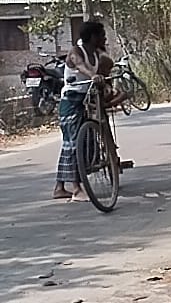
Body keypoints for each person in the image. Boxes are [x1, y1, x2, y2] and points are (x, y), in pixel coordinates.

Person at [53, 21, 124, 201]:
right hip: (71, 101)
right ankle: (76, 189)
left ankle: (59, 188)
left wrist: (107, 85)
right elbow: (79, 65)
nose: (104, 38)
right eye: (101, 35)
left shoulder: (97, 54)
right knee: (73, 143)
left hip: (87, 99)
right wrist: (93, 75)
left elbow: (107, 67)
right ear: (93, 37)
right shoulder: (76, 51)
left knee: (83, 141)